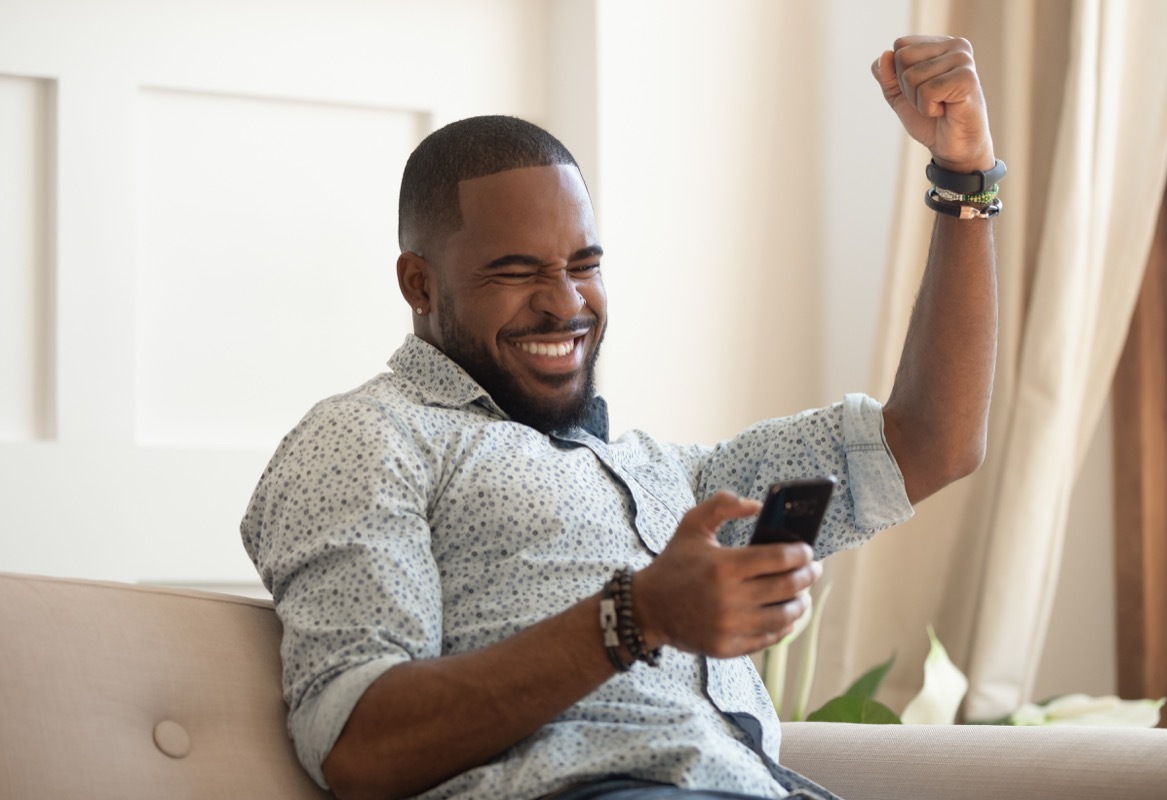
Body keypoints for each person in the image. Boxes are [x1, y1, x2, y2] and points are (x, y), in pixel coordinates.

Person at [241, 34, 1000, 800]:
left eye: (584, 265)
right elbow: (359, 747)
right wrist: (636, 615)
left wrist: (965, 182)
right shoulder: (367, 437)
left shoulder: (674, 479)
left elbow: (931, 442)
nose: (566, 303)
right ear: (420, 285)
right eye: (516, 272)